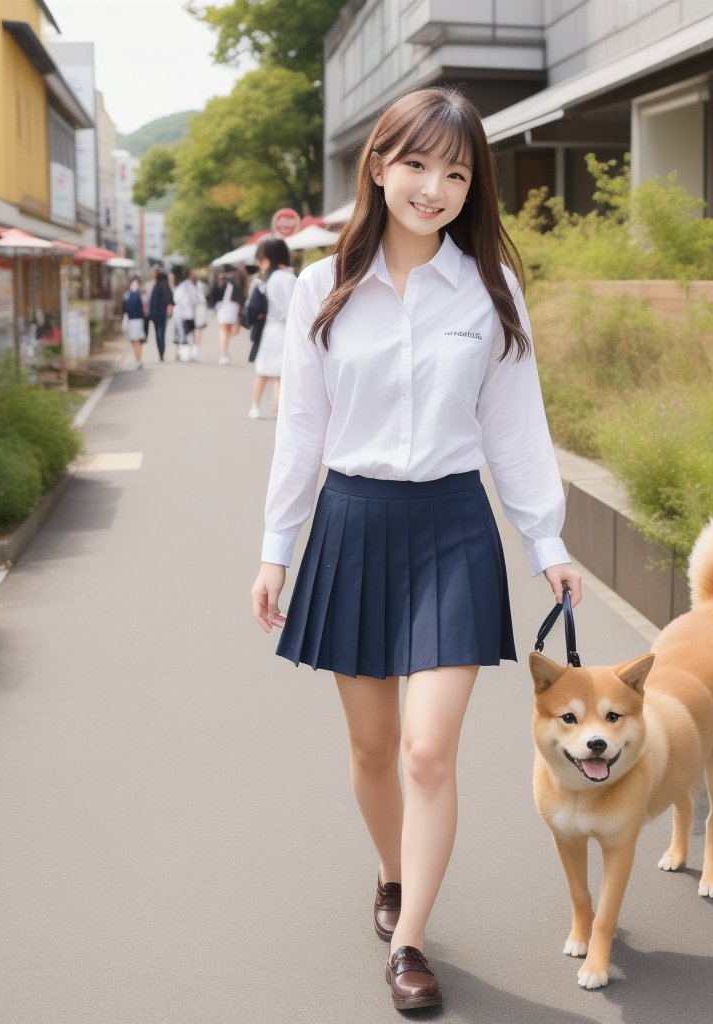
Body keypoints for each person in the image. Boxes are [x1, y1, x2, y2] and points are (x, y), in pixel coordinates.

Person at [250, 87, 583, 1012]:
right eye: (417, 165)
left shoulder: (488, 288)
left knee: (429, 751)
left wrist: (544, 540)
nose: (434, 186)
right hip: (351, 526)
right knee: (372, 749)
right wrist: (277, 545)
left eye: (456, 171)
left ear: (472, 186)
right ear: (380, 166)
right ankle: (391, 874)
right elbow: (301, 430)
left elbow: (516, 426)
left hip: (451, 529)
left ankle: (409, 940)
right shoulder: (321, 287)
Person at [248, 237, 294, 419]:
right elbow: (294, 309)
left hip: (268, 330)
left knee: (263, 371)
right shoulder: (288, 278)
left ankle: (255, 407)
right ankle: (279, 407)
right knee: (282, 373)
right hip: (285, 330)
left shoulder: (267, 280)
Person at [211, 264, 244, 365]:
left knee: (224, 331)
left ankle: (224, 354)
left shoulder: (222, 281)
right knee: (226, 331)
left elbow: (214, 294)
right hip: (232, 308)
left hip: (225, 307)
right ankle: (225, 353)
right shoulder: (236, 281)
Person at [148, 266, 174, 361]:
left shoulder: (161, 285)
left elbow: (169, 300)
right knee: (160, 334)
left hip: (159, 314)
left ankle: (161, 352)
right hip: (157, 314)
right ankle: (161, 352)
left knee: (160, 334)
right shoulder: (158, 285)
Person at [122, 275, 147, 369]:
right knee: (136, 340)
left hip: (136, 320)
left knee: (137, 340)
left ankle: (138, 359)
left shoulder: (139, 294)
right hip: (134, 320)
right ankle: (138, 359)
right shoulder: (130, 294)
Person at [172, 267, 197, 360]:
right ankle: (189, 352)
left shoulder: (181, 286)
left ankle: (184, 353)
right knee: (189, 333)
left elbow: (176, 299)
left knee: (182, 334)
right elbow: (195, 299)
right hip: (189, 313)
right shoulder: (191, 286)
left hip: (182, 314)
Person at [191, 270, 209, 360]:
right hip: (198, 309)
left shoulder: (195, 286)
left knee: (196, 329)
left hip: (197, 309)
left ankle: (194, 348)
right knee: (197, 329)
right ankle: (195, 348)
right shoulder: (202, 286)